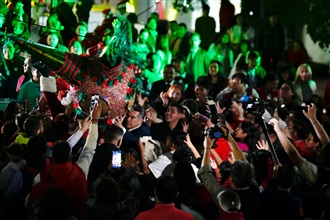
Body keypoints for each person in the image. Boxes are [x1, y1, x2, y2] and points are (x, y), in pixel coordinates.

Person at [27, 102, 101, 220]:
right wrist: (95, 121)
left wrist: (81, 131)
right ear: (71, 157)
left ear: (52, 157)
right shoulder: (79, 171)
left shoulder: (41, 177)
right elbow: (89, 149)